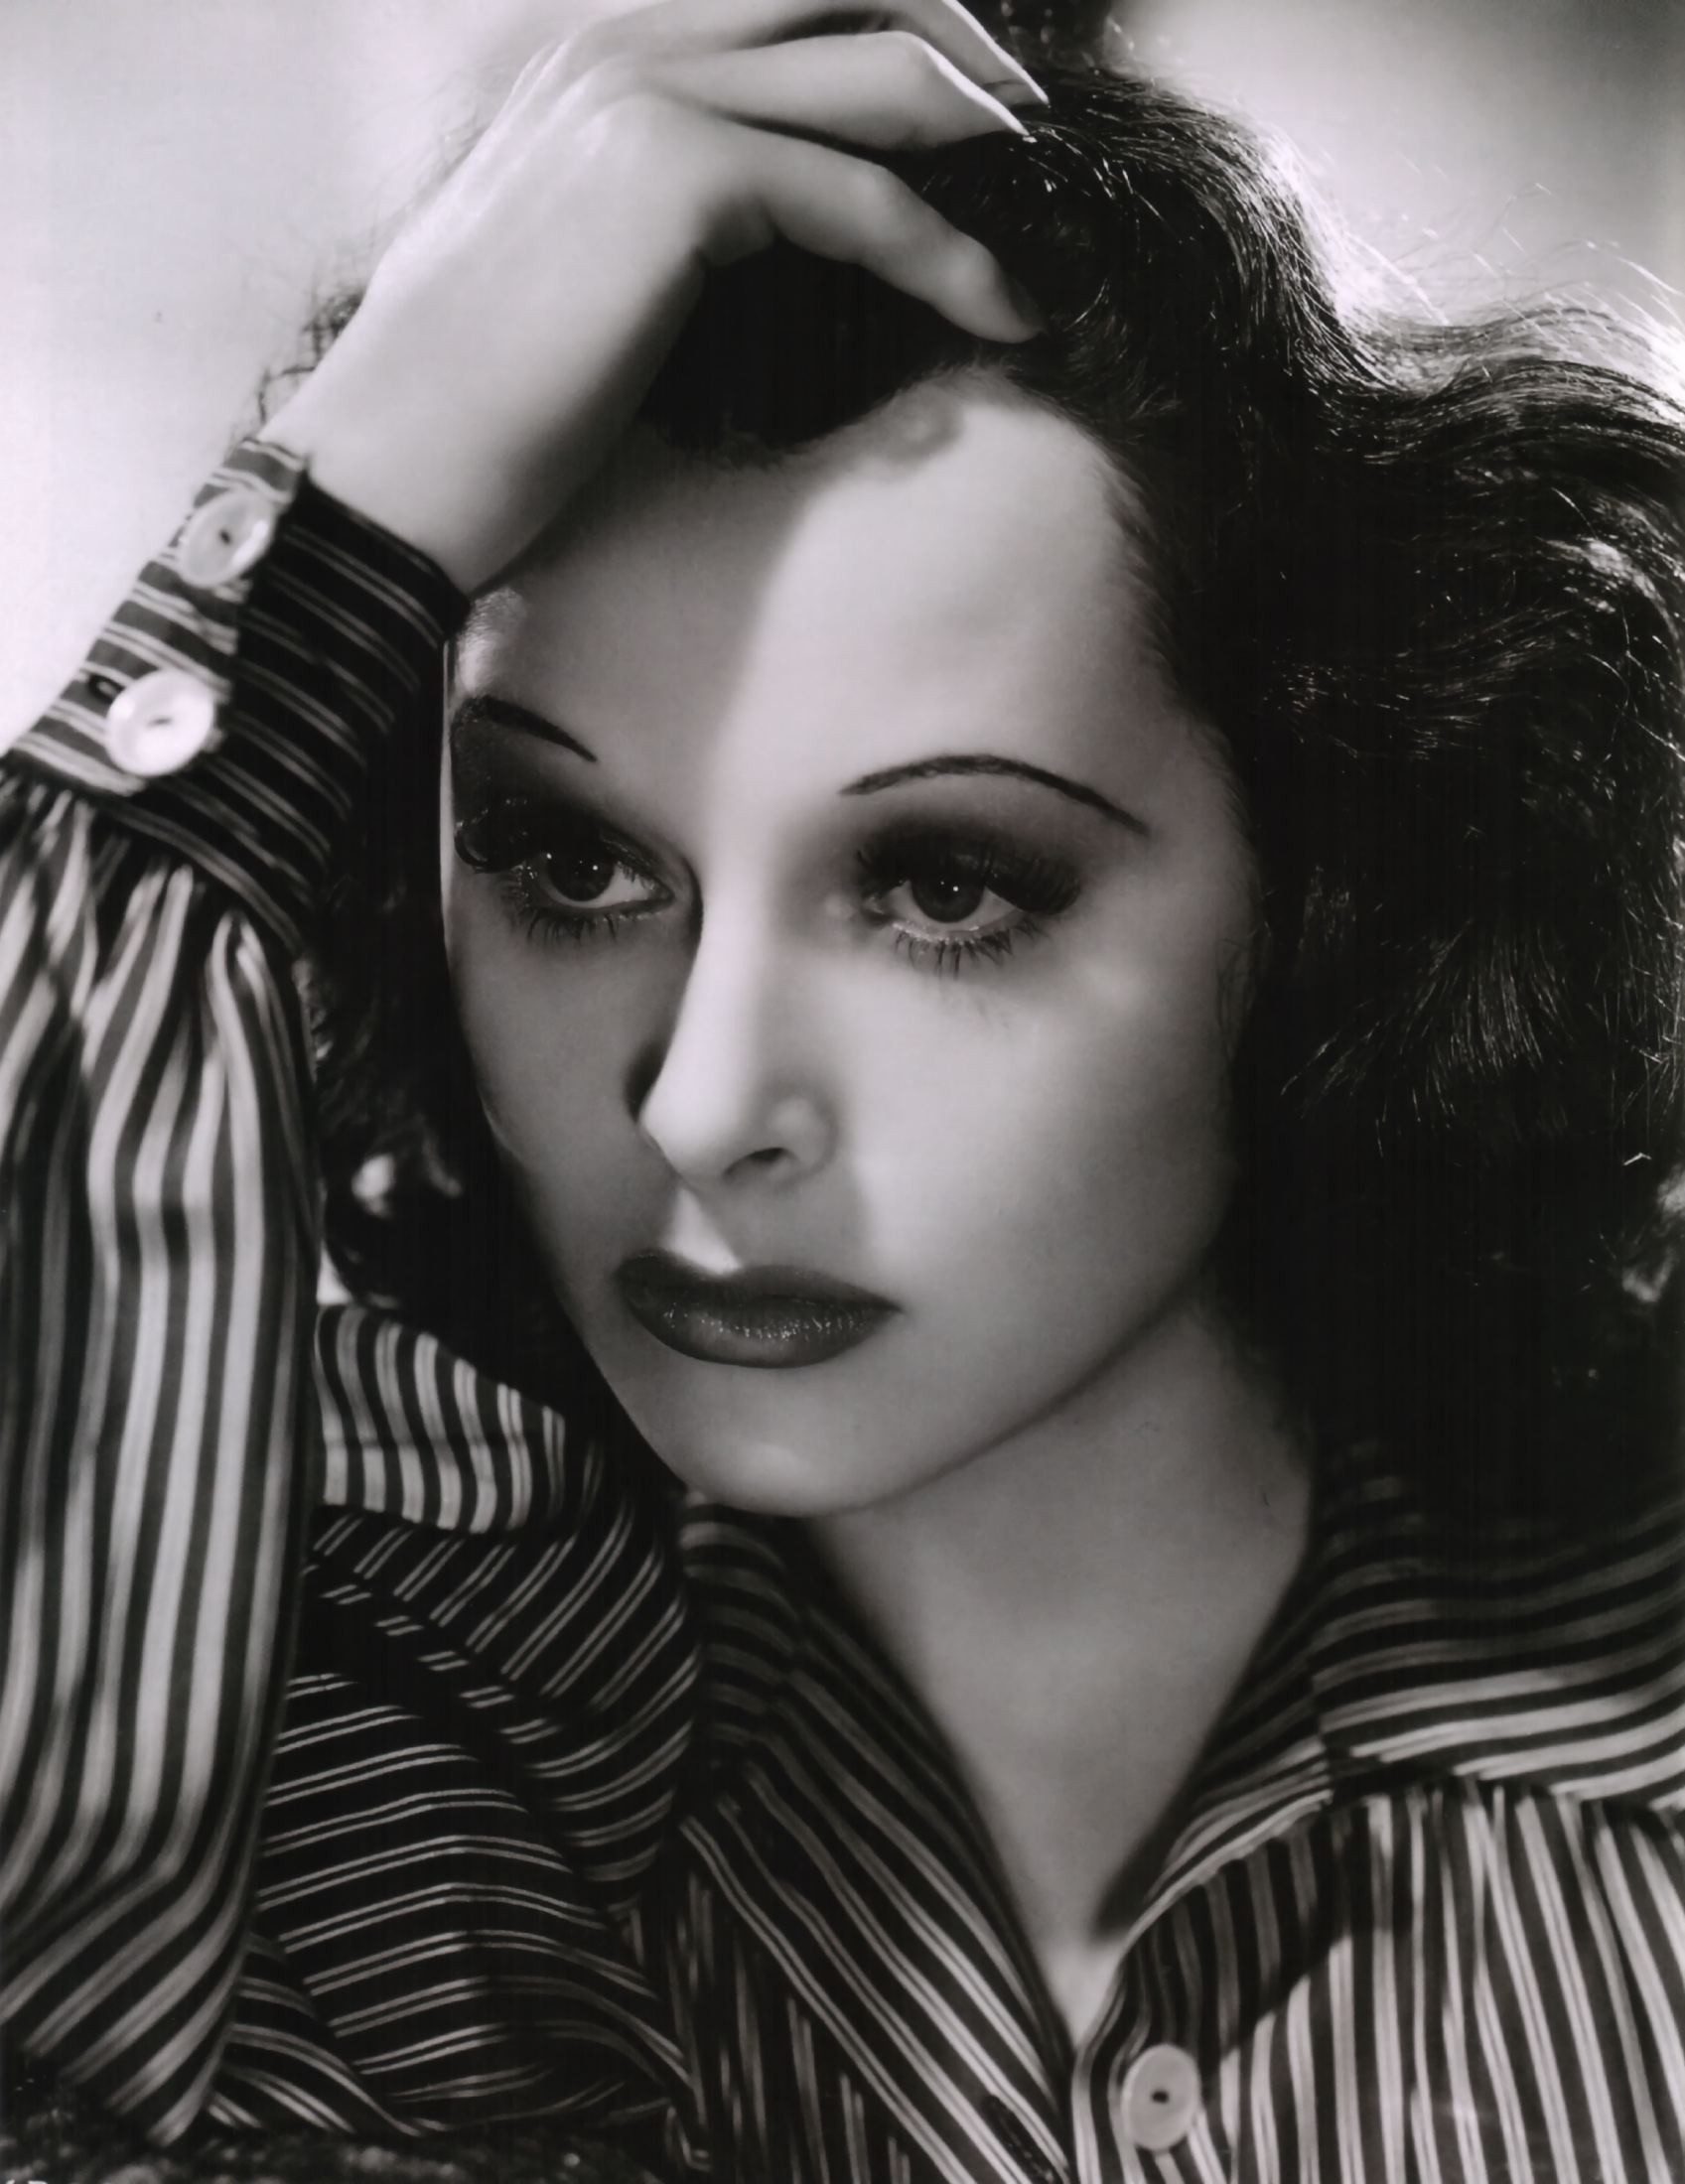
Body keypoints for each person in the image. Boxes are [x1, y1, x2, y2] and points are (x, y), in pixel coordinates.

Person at [5, 3, 1685, 2178]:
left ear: (1335, 889)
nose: (702, 1107)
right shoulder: (349, 1784)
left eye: (944, 885)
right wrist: (337, 528)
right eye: (571, 861)